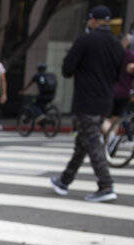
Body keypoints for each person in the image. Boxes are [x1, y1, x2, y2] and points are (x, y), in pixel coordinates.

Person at [50, 5, 124, 203]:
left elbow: (67, 68)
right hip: (105, 100)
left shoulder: (86, 40)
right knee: (82, 142)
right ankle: (64, 181)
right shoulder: (117, 44)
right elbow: (118, 75)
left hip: (86, 100)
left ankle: (106, 185)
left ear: (93, 20)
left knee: (91, 141)